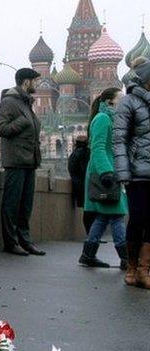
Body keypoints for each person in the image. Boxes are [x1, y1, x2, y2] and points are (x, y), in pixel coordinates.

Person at [0, 68, 46, 256]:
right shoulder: (10, 102)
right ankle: (10, 242)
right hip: (16, 160)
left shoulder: (26, 103)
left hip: (30, 160)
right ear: (26, 82)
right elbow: (1, 128)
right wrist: (23, 123)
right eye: (36, 81)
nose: (38, 84)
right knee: (12, 203)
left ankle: (25, 240)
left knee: (26, 204)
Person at [78, 88, 128, 270]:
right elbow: (98, 148)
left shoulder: (111, 119)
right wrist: (106, 172)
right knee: (117, 215)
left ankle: (88, 255)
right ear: (110, 102)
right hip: (105, 175)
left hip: (109, 173)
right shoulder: (103, 119)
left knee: (103, 216)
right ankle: (127, 258)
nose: (124, 101)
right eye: (120, 98)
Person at [113, 57, 150, 289]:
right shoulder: (128, 102)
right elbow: (119, 140)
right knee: (138, 218)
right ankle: (132, 266)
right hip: (137, 173)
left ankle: (145, 269)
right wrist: (123, 172)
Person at [68, 135, 98, 235]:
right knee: (92, 210)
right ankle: (92, 233)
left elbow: (71, 170)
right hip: (88, 184)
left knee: (87, 210)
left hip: (79, 186)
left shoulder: (74, 154)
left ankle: (90, 233)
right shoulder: (88, 153)